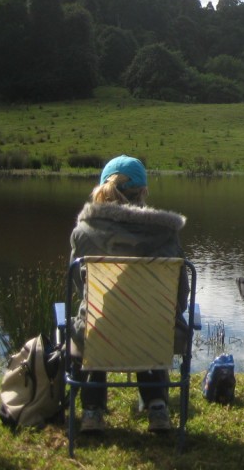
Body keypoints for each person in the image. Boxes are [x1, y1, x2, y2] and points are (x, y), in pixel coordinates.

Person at [69, 155, 187, 434]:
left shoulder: (83, 233)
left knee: (95, 319)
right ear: (144, 192)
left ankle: (92, 411)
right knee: (151, 320)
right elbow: (180, 294)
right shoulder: (166, 234)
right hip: (156, 334)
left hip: (98, 334)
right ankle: (157, 406)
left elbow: (77, 286)